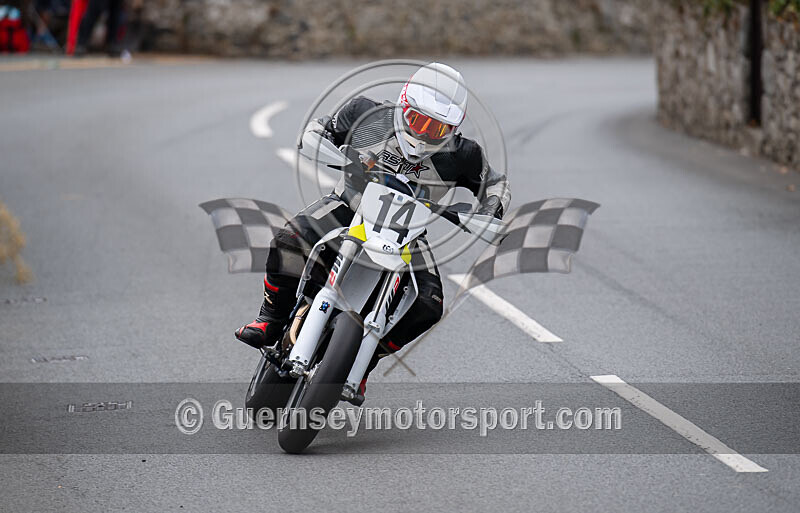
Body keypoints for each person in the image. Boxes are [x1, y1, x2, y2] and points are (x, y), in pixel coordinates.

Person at [235, 63, 511, 400]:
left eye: (438, 128)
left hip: (408, 233)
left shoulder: (464, 154)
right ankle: (271, 319)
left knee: (429, 303)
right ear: (403, 105)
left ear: (454, 128)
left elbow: (495, 184)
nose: (425, 133)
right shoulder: (365, 113)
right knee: (290, 239)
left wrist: (490, 211)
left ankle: (364, 363)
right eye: (419, 120)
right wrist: (320, 143)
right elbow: (319, 129)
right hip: (348, 207)